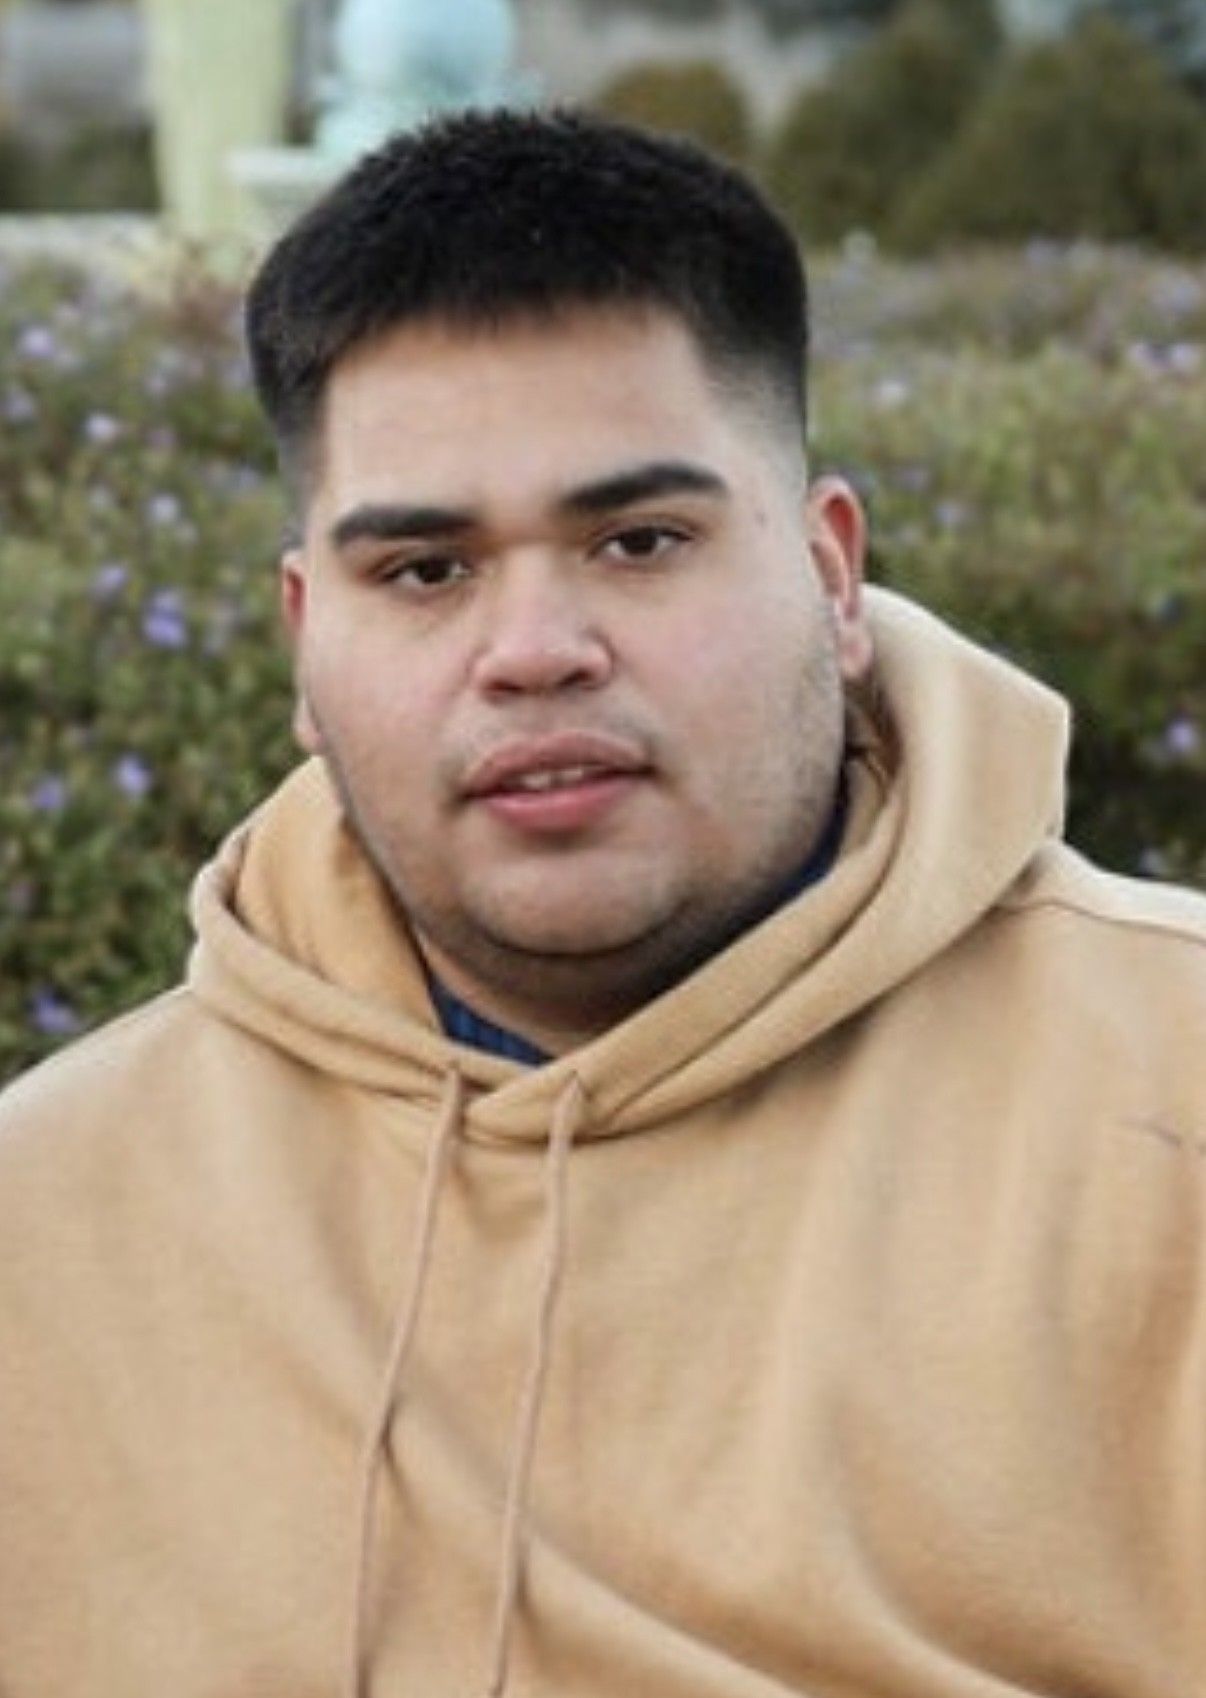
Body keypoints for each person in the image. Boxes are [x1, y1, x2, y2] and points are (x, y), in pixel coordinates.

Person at [1, 108, 1203, 1698]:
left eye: (637, 540)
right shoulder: (48, 1214)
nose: (535, 646)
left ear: (832, 574)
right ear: (304, 638)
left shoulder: (1168, 1100)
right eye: (425, 570)